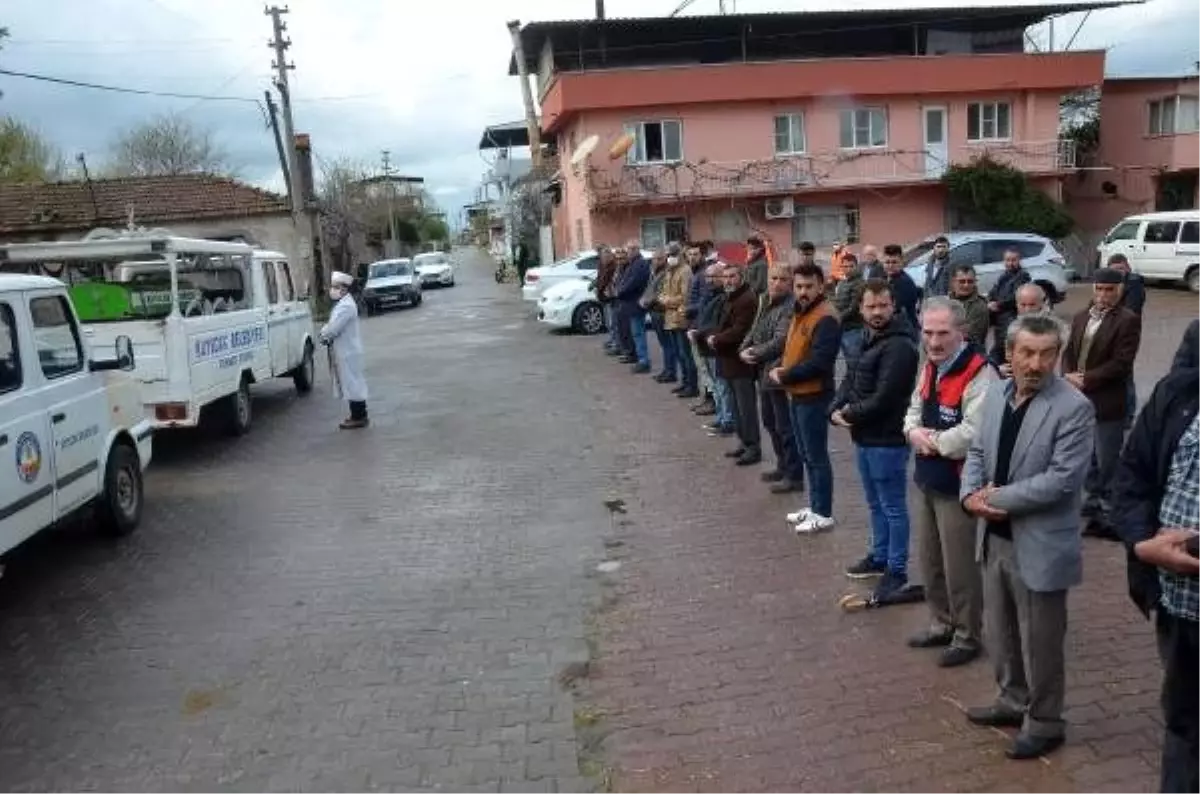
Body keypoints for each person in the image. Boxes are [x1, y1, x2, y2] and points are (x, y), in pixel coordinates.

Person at [961, 313, 1095, 761]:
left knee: (1041, 641)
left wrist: (993, 499)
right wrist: (968, 497)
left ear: (1057, 356)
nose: (1036, 364)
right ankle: (1011, 700)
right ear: (1011, 353)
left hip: (1040, 543)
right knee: (1001, 633)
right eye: (1027, 353)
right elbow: (978, 450)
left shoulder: (1074, 408)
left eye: (1046, 354)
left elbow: (1062, 480)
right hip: (994, 536)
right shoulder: (997, 394)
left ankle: (1045, 721)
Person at [1110, 356, 1200, 793]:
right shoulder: (1178, 392)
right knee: (1184, 724)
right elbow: (1132, 476)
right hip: (1179, 606)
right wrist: (1142, 542)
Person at [904, 297, 994, 667]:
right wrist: (912, 432)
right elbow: (913, 407)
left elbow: (975, 432)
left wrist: (932, 442)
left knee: (961, 568)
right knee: (931, 561)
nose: (934, 341)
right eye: (928, 332)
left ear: (962, 332)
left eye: (943, 333)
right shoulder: (929, 365)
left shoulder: (980, 373)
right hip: (928, 478)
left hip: (958, 486)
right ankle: (941, 622)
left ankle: (967, 634)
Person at [832, 279, 921, 599]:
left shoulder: (899, 344)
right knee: (875, 503)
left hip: (888, 439)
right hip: (865, 437)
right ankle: (879, 555)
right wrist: (834, 407)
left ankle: (896, 569)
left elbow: (886, 397)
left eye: (883, 305)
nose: (878, 312)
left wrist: (850, 414)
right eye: (871, 306)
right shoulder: (866, 338)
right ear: (860, 309)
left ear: (893, 305)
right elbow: (851, 380)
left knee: (893, 506)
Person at [1062, 267, 1142, 540]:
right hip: (1078, 398)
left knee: (1107, 459)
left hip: (1107, 401)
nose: (1103, 295)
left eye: (1109, 290)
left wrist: (1086, 379)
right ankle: (1092, 506)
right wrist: (1068, 374)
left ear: (1119, 291)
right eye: (1099, 289)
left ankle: (1109, 514)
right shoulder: (1081, 316)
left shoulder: (1128, 320)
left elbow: (1122, 363)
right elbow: (1069, 350)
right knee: (1087, 457)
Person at [768, 263, 841, 532]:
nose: (803, 291)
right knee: (807, 454)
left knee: (816, 455)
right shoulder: (801, 311)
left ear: (821, 286)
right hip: (797, 394)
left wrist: (786, 375)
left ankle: (824, 512)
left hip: (814, 395)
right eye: (799, 286)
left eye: (809, 286)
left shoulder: (826, 317)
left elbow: (820, 362)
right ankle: (814, 505)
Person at [740, 264, 803, 492]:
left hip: (778, 373)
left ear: (790, 283)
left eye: (783, 279)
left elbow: (780, 341)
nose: (777, 283)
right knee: (770, 423)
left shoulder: (789, 307)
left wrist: (754, 353)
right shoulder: (765, 301)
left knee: (784, 426)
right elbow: (754, 329)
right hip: (763, 372)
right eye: (774, 278)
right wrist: (744, 348)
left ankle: (794, 474)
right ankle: (782, 465)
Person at [707, 264, 761, 465]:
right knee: (736, 407)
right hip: (728, 359)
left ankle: (753, 447)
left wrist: (716, 339)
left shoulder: (746, 299)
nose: (728, 280)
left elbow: (740, 330)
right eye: (726, 276)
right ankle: (744, 443)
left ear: (741, 276)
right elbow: (722, 323)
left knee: (746, 407)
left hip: (740, 361)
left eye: (732, 276)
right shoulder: (730, 297)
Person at [321, 271, 370, 429]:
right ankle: (356, 415)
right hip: (346, 350)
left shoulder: (346, 306)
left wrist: (323, 332)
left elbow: (333, 328)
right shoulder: (343, 304)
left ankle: (359, 416)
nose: (332, 290)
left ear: (344, 289)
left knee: (353, 384)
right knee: (350, 383)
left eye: (336, 287)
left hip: (348, 351)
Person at [1107, 252, 1146, 428]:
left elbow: (1131, 310)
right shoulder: (1109, 285)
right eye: (1114, 270)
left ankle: (1128, 415)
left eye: (1121, 269)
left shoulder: (1134, 285)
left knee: (1126, 374)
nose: (1118, 273)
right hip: (1109, 334)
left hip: (1128, 336)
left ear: (1127, 268)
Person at [661, 244, 698, 398]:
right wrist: (663, 298)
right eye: (668, 254)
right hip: (670, 318)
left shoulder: (685, 271)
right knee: (678, 353)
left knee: (686, 354)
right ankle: (684, 382)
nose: (669, 257)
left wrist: (667, 300)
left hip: (681, 318)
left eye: (672, 254)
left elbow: (685, 297)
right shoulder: (670, 271)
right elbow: (663, 291)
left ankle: (692, 385)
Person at [986, 249, 1032, 363]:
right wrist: (990, 302)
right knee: (999, 352)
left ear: (1019, 260)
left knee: (1005, 353)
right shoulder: (1003, 276)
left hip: (1012, 318)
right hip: (1000, 321)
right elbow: (993, 292)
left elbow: (1016, 296)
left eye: (1013, 260)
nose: (1010, 263)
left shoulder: (1023, 276)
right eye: (1007, 260)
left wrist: (998, 305)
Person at [615, 241, 652, 372]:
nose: (628, 252)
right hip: (630, 304)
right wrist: (619, 289)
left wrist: (619, 291)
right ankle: (640, 358)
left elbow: (633, 283)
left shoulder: (640, 264)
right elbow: (624, 280)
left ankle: (644, 361)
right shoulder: (633, 264)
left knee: (638, 333)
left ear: (637, 249)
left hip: (636, 304)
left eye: (631, 249)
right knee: (635, 333)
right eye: (628, 249)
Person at [949, 264, 990, 350]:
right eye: (962, 281)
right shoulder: (945, 302)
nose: (966, 285)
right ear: (953, 282)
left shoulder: (980, 307)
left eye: (970, 281)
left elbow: (971, 337)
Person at [881, 244, 920, 332]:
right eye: (887, 262)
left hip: (905, 330)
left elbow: (894, 309)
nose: (890, 265)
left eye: (894, 262)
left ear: (901, 263)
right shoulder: (885, 278)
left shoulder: (905, 282)